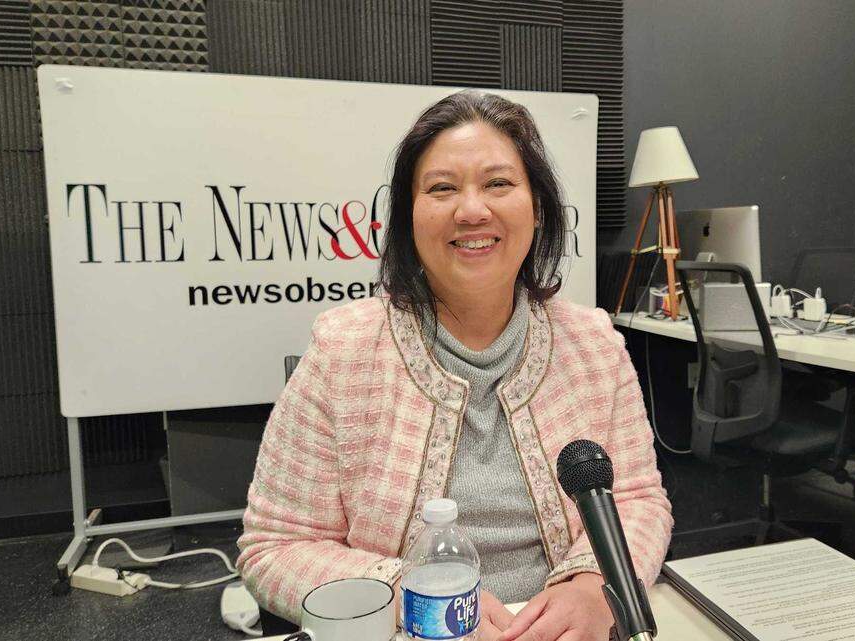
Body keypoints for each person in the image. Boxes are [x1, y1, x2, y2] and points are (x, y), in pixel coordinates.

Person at [237, 90, 672, 641]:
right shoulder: (343, 352)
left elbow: (637, 501)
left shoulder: (595, 345)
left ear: (537, 208)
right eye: (441, 188)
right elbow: (273, 548)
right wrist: (408, 597)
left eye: (498, 184)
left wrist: (595, 586)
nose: (472, 210)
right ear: (408, 217)